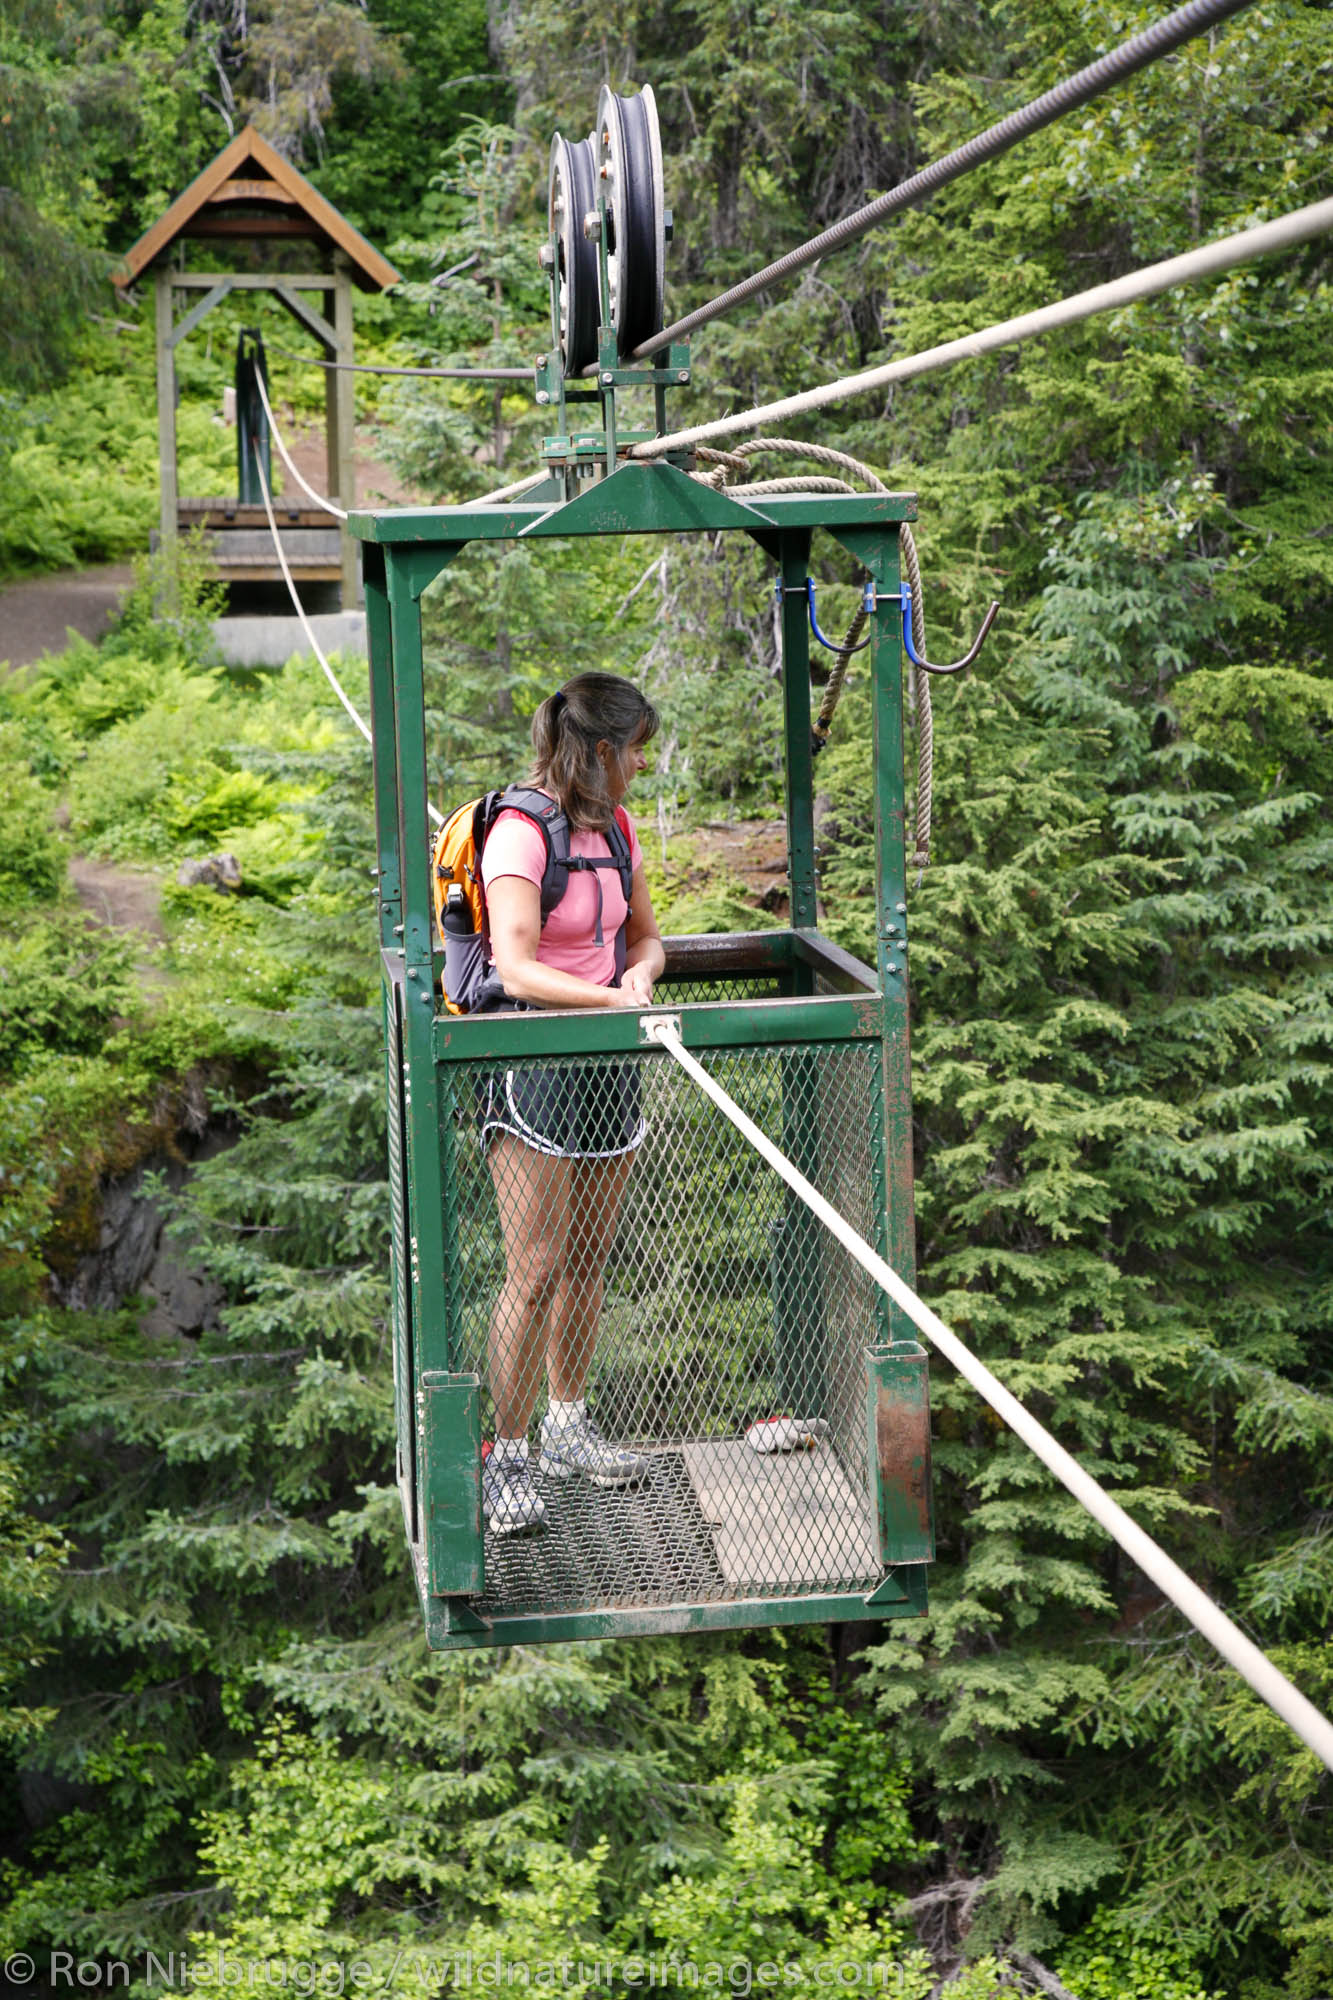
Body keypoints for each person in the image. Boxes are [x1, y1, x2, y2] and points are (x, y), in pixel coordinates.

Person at [478, 672, 666, 1535]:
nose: (639, 767)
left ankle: (567, 1424)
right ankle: (505, 1458)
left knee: (588, 1259)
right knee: (536, 1267)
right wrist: (607, 1002)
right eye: (633, 751)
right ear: (598, 751)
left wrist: (641, 974)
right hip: (533, 1058)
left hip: (606, 1057)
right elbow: (514, 966)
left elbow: (644, 935)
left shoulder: (616, 829)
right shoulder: (521, 834)